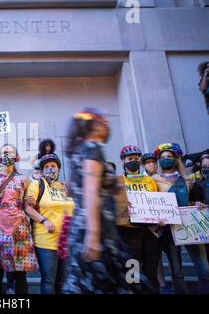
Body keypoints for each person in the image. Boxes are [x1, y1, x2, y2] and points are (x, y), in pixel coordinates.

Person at [62, 108, 150, 294]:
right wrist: (93, 236)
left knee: (99, 284)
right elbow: (90, 189)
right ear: (95, 126)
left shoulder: (78, 152)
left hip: (87, 230)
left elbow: (70, 190)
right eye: (106, 122)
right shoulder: (93, 147)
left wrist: (108, 183)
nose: (108, 126)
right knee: (129, 281)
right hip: (98, 231)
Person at [153, 142, 209, 294]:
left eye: (169, 156)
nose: (166, 159)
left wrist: (197, 204)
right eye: (163, 157)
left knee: (204, 269)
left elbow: (192, 200)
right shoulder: (154, 181)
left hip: (190, 226)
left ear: (176, 159)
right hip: (169, 230)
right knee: (177, 273)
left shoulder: (187, 179)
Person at [0, 143, 38, 295]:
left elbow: (27, 204)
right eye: (4, 152)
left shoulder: (23, 179)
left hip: (19, 230)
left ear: (17, 157)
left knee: (20, 274)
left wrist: (30, 201)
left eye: (10, 153)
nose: (7, 155)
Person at [24, 153, 74, 294]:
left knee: (63, 281)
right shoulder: (37, 185)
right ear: (41, 170)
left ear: (59, 169)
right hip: (46, 239)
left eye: (53, 166)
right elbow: (28, 207)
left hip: (65, 240)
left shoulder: (64, 187)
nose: (50, 169)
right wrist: (44, 220)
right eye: (46, 166)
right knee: (49, 281)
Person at [117, 145, 162, 293]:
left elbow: (158, 202)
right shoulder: (118, 182)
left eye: (136, 159)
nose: (134, 161)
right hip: (129, 233)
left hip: (150, 231)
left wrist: (162, 217)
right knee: (132, 274)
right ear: (123, 162)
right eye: (130, 159)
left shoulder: (149, 180)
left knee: (151, 271)